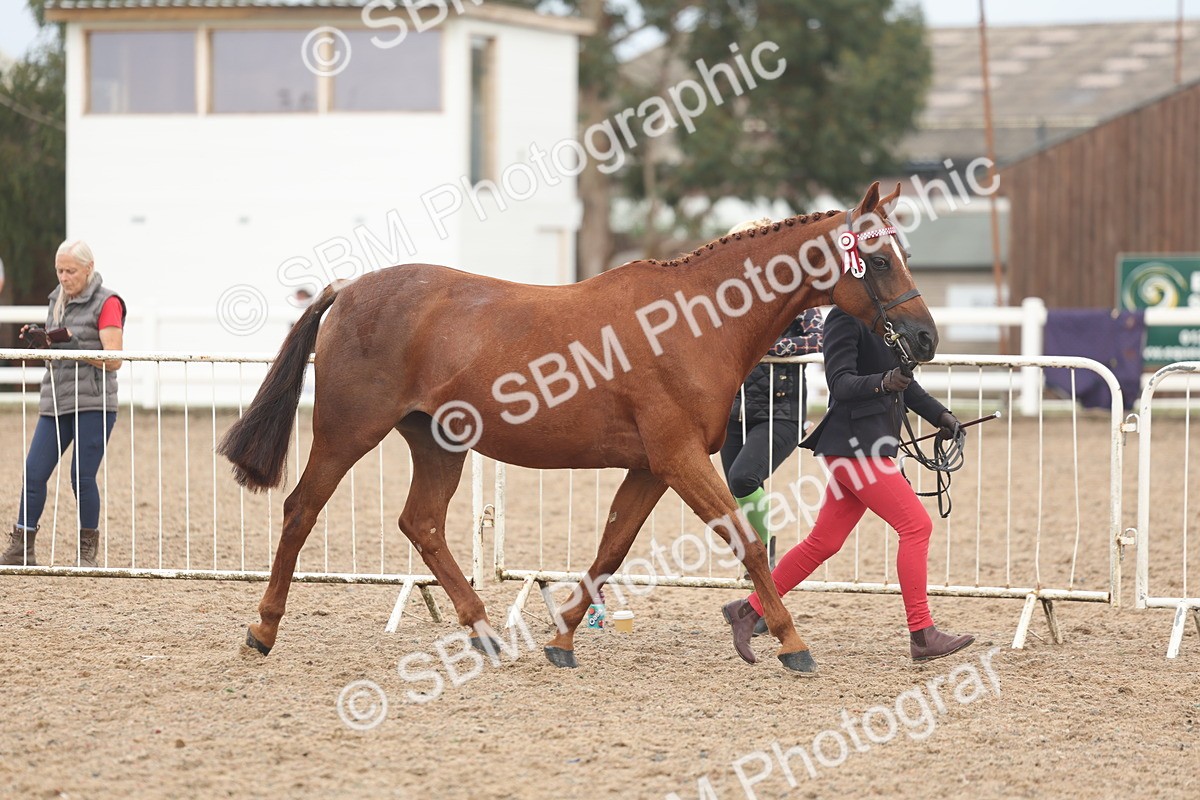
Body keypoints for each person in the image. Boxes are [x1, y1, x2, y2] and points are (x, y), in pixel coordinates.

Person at [722, 305, 975, 665]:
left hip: (866, 446)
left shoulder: (888, 324)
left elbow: (908, 387)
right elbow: (840, 382)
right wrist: (882, 382)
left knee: (822, 543)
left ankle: (747, 610)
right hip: (854, 448)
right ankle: (922, 634)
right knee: (917, 526)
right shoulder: (843, 319)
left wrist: (941, 415)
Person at [3, 240, 125, 568]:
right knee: (33, 472)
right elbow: (57, 348)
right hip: (56, 399)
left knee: (81, 476)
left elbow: (114, 359)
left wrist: (76, 346)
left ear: (89, 267)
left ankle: (87, 551)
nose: (64, 277)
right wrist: (41, 339)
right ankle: (22, 546)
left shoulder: (108, 302)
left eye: (70, 270)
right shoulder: (56, 298)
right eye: (59, 270)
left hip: (94, 403)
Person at [719, 218, 824, 594]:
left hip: (782, 412)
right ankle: (761, 573)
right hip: (734, 411)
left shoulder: (794, 295)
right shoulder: (727, 300)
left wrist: (768, 349)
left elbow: (817, 340)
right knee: (736, 494)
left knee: (744, 479)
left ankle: (764, 568)